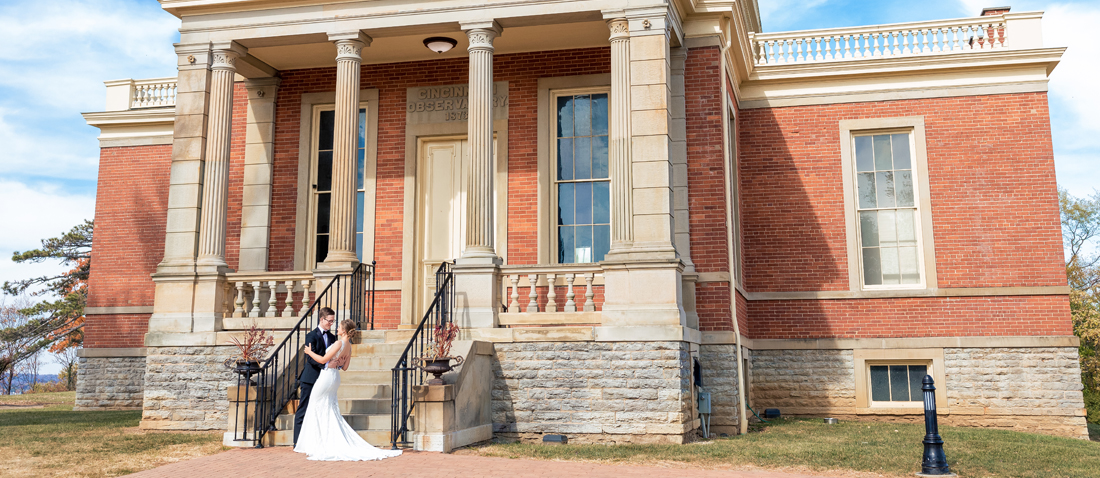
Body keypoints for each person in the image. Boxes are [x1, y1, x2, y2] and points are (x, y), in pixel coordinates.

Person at [293, 317, 403, 461]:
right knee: (328, 408)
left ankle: (317, 443)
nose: (336, 328)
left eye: (338, 327)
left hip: (326, 377)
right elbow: (344, 367)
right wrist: (338, 363)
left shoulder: (339, 343)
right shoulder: (349, 346)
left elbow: (322, 360)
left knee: (315, 405)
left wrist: (309, 352)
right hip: (335, 377)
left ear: (344, 330)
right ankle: (321, 440)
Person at [293, 307, 336, 446]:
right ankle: (297, 442)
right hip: (310, 378)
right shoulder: (311, 336)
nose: (331, 324)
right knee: (303, 409)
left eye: (333, 321)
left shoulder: (332, 337)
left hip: (325, 379)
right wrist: (325, 365)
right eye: (329, 321)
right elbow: (310, 359)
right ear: (322, 319)